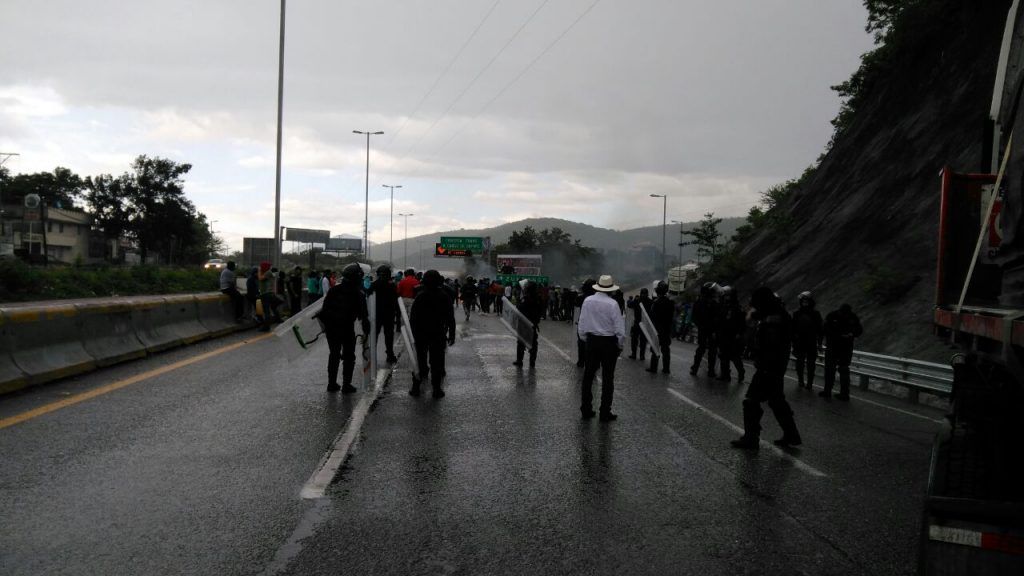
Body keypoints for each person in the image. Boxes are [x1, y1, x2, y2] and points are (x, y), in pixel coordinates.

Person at [731, 286, 802, 449]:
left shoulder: (774, 319)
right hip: (775, 366)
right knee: (776, 401)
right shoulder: (777, 314)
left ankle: (751, 438)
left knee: (751, 401)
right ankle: (792, 435)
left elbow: (770, 343)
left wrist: (760, 357)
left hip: (769, 366)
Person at [578, 275, 626, 421]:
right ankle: (605, 412)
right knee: (608, 378)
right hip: (609, 343)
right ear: (611, 289)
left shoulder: (587, 301)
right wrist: (619, 345)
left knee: (588, 376)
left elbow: (582, 323)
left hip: (592, 341)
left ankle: (586, 408)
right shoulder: (613, 304)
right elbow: (619, 329)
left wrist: (585, 339)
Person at [318, 263, 370, 394]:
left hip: (332, 329)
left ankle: (331, 384)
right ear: (356, 278)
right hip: (347, 329)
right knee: (349, 356)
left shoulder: (333, 290)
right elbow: (364, 317)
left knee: (334, 355)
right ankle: (346, 385)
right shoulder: (358, 294)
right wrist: (367, 333)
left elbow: (324, 311)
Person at [410, 269, 457, 398]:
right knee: (437, 362)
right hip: (438, 333)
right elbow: (450, 318)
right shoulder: (444, 296)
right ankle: (436, 389)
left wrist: (413, 334)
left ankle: (416, 387)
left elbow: (413, 318)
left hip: (421, 333)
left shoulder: (420, 296)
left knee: (419, 360)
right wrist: (452, 335)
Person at [820, 303, 863, 400]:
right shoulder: (850, 317)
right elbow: (825, 328)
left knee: (832, 369)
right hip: (841, 347)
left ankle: (829, 391)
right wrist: (847, 335)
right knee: (841, 369)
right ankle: (843, 393)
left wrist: (850, 334)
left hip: (837, 347)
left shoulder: (834, 315)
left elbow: (824, 329)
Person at [368, 264, 399, 364]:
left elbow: (368, 297)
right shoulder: (392, 286)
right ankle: (390, 354)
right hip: (389, 314)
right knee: (389, 335)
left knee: (374, 335)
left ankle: (371, 356)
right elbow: (396, 300)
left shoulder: (374, 285)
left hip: (376, 314)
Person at [792, 291, 823, 390]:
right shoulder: (797, 314)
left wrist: (820, 343)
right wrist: (793, 341)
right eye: (803, 301)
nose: (804, 302)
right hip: (801, 342)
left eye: (806, 301)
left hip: (810, 342)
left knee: (810, 363)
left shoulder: (815, 314)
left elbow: (820, 330)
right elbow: (792, 329)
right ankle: (801, 380)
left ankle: (809, 383)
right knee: (800, 363)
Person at [716, 287, 747, 383]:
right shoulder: (724, 306)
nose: (726, 297)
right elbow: (720, 320)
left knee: (734, 356)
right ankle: (725, 374)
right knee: (723, 355)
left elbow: (742, 323)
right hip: (723, 334)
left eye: (728, 295)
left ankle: (741, 372)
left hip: (733, 336)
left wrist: (739, 333)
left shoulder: (737, 308)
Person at [689, 282, 719, 377]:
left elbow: (694, 317)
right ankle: (709, 370)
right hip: (709, 330)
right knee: (710, 350)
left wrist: (700, 325)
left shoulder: (700, 303)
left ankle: (696, 368)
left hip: (705, 329)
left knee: (703, 349)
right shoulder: (712, 304)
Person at [513, 281, 543, 368]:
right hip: (533, 324)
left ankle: (519, 360)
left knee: (521, 342)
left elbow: (520, 309)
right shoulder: (538, 298)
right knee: (533, 344)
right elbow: (540, 311)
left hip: (524, 323)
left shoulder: (526, 299)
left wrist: (519, 302)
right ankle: (532, 362)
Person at [646, 281, 674, 374]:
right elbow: (671, 317)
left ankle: (653, 368)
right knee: (666, 350)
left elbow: (652, 317)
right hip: (666, 330)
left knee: (655, 349)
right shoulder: (670, 303)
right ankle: (666, 369)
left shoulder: (656, 303)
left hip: (657, 329)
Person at [575, 279, 597, 367]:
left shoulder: (581, 298)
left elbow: (576, 304)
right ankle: (592, 362)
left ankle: (581, 361)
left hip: (583, 322)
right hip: (595, 323)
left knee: (581, 343)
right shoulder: (597, 298)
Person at [628, 288, 652, 360]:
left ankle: (634, 354)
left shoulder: (637, 300)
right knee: (643, 341)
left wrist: (633, 300)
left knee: (634, 340)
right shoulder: (650, 301)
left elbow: (629, 305)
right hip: (645, 324)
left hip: (637, 323)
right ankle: (642, 355)